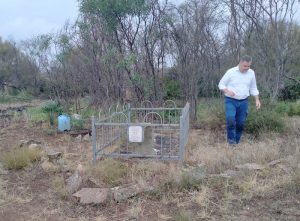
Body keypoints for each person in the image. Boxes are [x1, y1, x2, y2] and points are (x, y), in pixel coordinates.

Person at [218, 55, 261, 145]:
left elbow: (253, 88)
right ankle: (231, 143)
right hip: (230, 100)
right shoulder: (231, 72)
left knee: (240, 124)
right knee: (230, 120)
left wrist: (257, 100)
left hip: (244, 101)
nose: (247, 68)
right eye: (245, 66)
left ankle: (236, 143)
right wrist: (227, 91)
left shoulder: (251, 73)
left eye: (248, 66)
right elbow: (221, 84)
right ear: (240, 63)